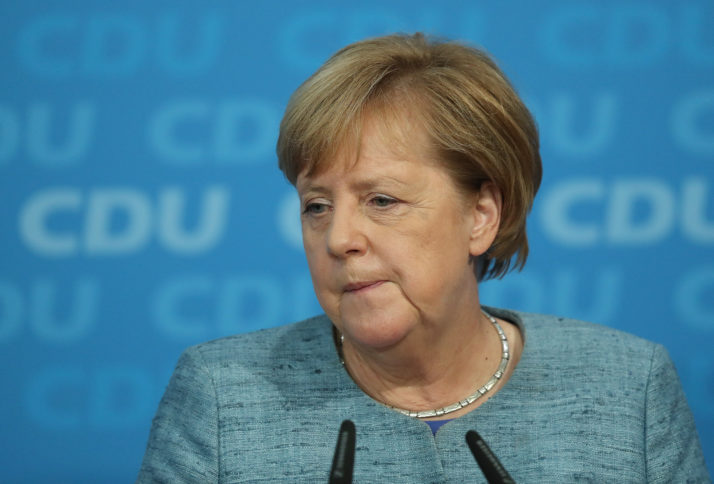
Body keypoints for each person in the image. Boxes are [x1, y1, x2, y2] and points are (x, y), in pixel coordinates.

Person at [137, 33, 709, 482]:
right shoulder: (223, 396)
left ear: (480, 215)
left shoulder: (627, 386)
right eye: (317, 206)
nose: (339, 238)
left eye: (381, 200)